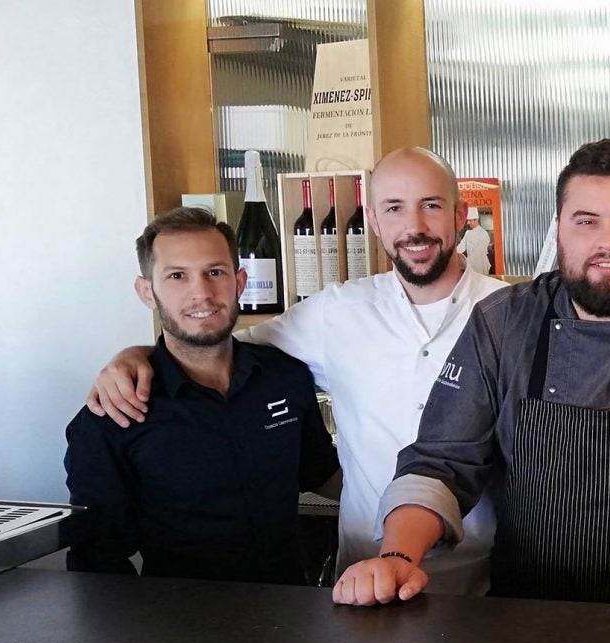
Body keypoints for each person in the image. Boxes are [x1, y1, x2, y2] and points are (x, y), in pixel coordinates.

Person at [334, 138, 610, 614]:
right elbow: (441, 463)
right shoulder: (503, 324)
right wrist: (398, 555)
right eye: (586, 221)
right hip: (521, 626)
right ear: (559, 230)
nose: (608, 241)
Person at [85, 148, 510, 593]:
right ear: (374, 221)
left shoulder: (513, 314)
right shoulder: (336, 312)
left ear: (461, 214)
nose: (415, 227)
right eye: (394, 208)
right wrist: (134, 356)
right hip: (364, 582)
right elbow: (213, 341)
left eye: (432, 205)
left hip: (485, 582)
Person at [64, 207, 341, 584]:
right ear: (147, 292)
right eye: (177, 276)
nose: (202, 293)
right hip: (182, 629)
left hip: (293, 616)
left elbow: (324, 475)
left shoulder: (284, 376)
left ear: (240, 282)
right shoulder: (114, 413)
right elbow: (96, 560)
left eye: (215, 272)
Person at [458, 208, 492, 275]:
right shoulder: (468, 232)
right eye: (468, 221)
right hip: (470, 264)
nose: (468, 223)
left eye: (470, 221)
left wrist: (466, 262)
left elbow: (478, 252)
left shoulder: (483, 233)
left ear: (476, 220)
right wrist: (453, 254)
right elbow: (462, 246)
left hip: (480, 264)